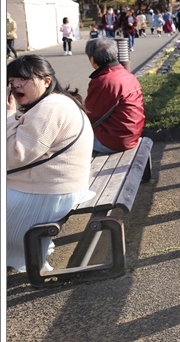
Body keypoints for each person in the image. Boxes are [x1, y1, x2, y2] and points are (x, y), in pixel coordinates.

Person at [6, 54, 95, 272]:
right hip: (59, 187)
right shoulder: (56, 102)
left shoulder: (50, 107)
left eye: (23, 79)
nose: (15, 85)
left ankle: (24, 254)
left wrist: (8, 114)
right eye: (11, 81)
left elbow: (14, 156)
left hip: (48, 193)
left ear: (46, 81)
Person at [84, 38, 146, 154]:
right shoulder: (126, 74)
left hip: (114, 140)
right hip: (132, 134)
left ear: (92, 59)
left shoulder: (104, 81)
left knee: (66, 141)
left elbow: (90, 115)